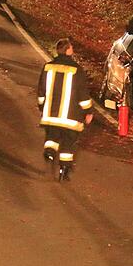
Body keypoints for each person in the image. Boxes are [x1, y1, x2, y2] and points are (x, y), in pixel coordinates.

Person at [37, 37, 93, 180]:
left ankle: (49, 152)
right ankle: (64, 170)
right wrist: (88, 112)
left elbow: (41, 91)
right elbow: (83, 96)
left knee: (51, 137)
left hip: (51, 115)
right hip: (71, 118)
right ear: (68, 50)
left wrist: (42, 107)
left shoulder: (48, 67)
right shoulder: (77, 70)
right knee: (68, 143)